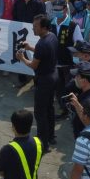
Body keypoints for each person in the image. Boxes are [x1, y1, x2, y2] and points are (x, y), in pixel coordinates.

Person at [17, 14, 58, 145]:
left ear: (44, 28)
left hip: (44, 80)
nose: (33, 28)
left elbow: (33, 65)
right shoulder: (52, 37)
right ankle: (51, 136)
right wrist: (29, 48)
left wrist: (22, 58)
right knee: (49, 108)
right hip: (53, 75)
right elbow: (43, 53)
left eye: (35, 26)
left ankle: (43, 142)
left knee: (40, 113)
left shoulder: (42, 44)